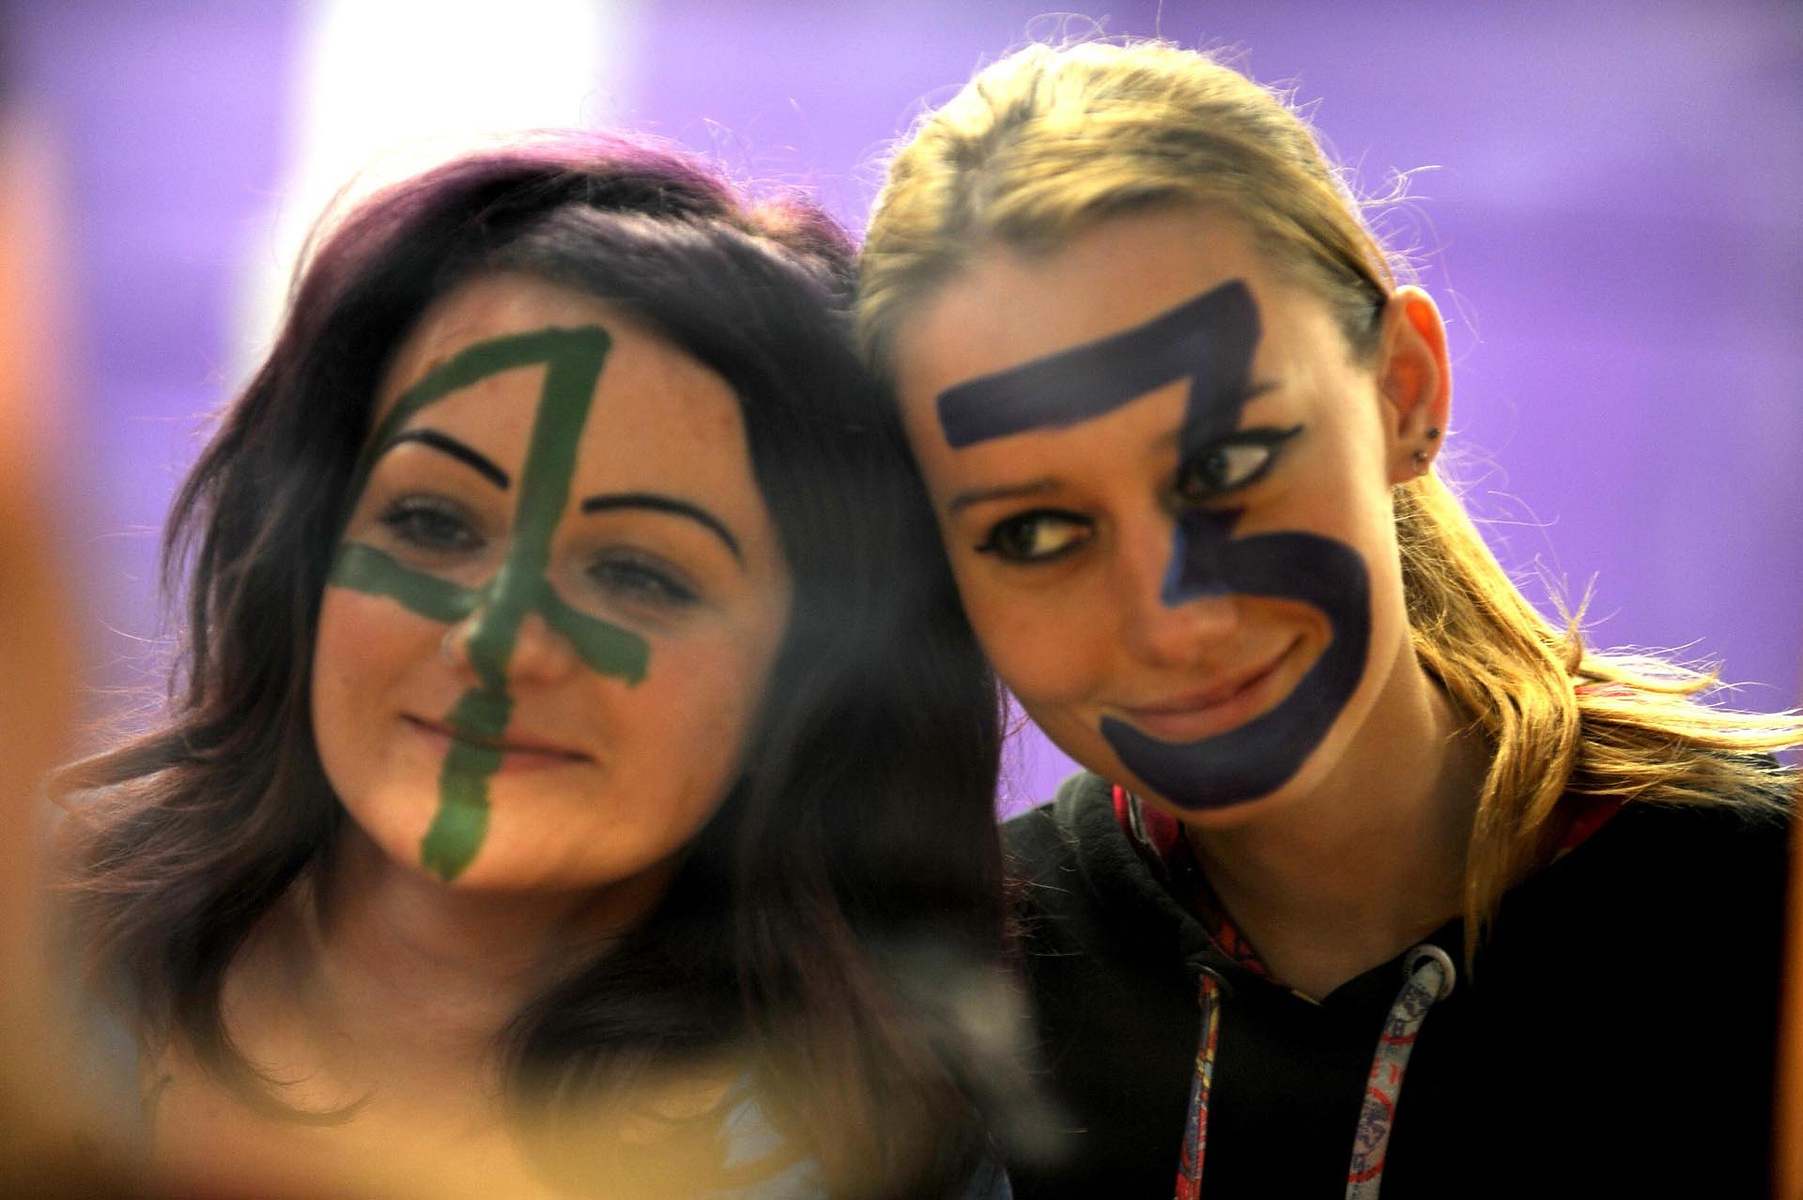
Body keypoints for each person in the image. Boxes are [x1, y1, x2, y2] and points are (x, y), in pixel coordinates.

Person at [857, 39, 1799, 1199]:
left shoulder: (1759, 903)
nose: (1173, 619)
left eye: (1232, 461)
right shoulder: (949, 986)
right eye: (1036, 534)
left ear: (1405, 392)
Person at [56, 133, 1016, 1199]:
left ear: (819, 680)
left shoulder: (887, 1152)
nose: (499, 638)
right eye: (430, 520)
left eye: (640, 575)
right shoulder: (32, 957)